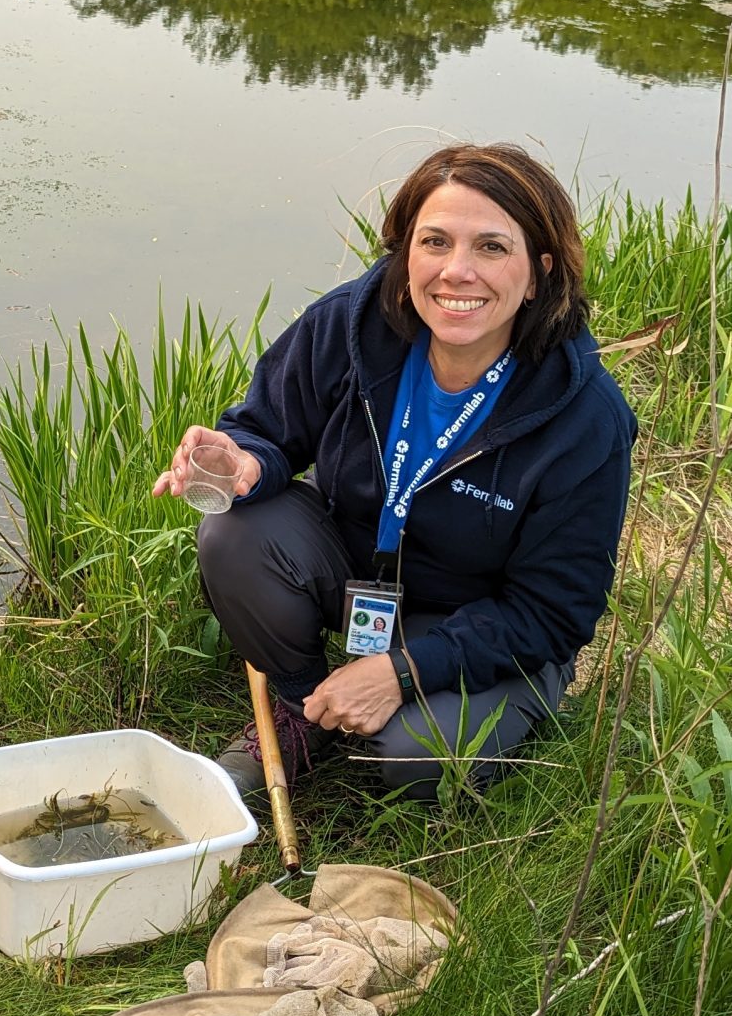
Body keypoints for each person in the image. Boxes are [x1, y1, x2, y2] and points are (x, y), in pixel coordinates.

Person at [157, 144, 633, 798]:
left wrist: (403, 673)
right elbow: (265, 431)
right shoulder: (350, 326)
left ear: (538, 271)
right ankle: (301, 707)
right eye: (435, 242)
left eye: (492, 248)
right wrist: (242, 461)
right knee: (234, 534)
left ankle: (501, 710)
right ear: (406, 251)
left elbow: (554, 611)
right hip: (361, 572)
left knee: (414, 761)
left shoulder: (584, 416)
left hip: (480, 621)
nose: (456, 272)